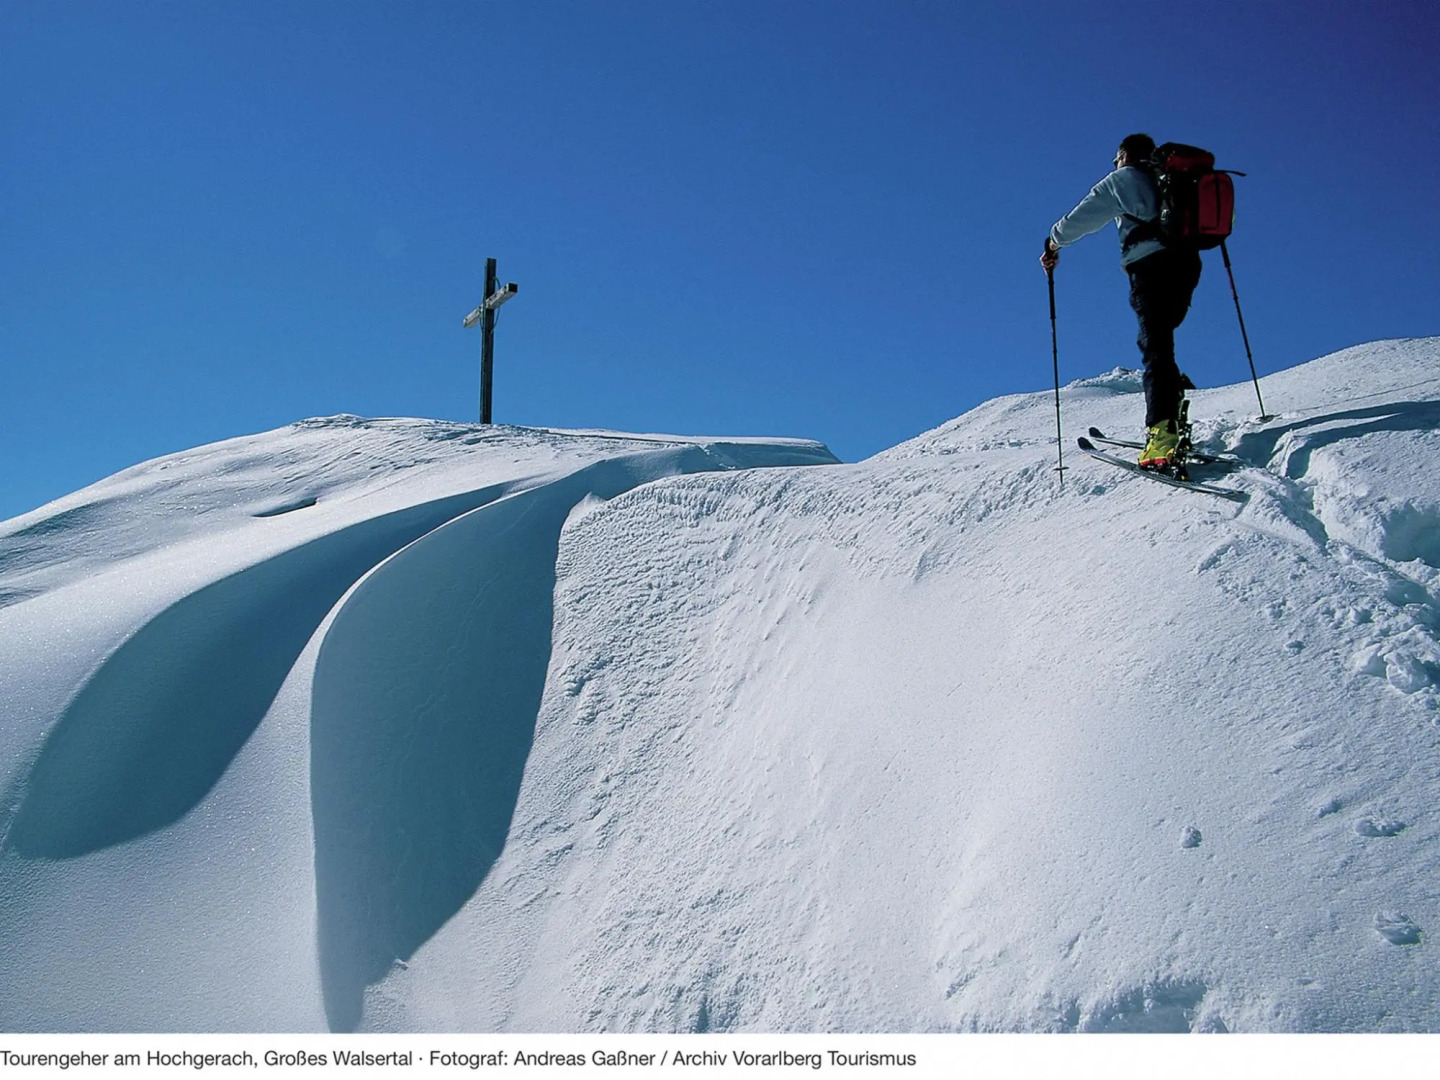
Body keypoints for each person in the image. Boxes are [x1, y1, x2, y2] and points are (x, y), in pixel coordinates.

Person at [1040, 133, 1202, 468]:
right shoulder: (1172, 180)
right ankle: (1172, 403)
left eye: (1115, 160)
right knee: (1161, 341)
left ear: (1124, 155)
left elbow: (1081, 218)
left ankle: (1162, 434)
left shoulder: (1123, 179)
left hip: (1150, 268)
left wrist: (1052, 244)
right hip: (1186, 264)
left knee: (1155, 346)